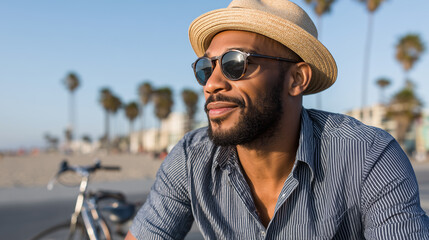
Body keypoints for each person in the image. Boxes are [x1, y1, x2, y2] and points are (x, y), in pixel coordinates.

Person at [126, 0, 429, 239]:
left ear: (296, 79)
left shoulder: (367, 157)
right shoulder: (192, 159)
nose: (211, 83)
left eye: (235, 63)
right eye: (206, 67)